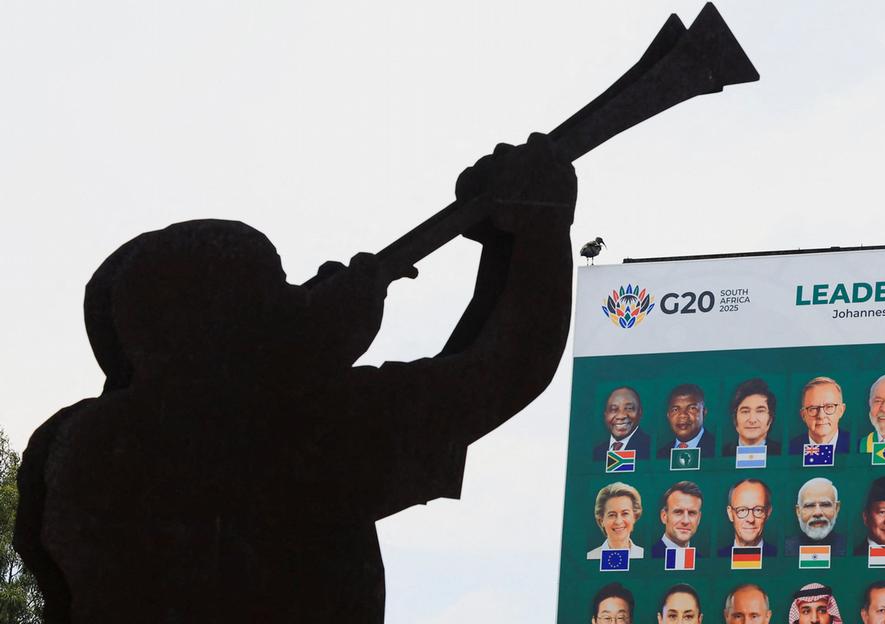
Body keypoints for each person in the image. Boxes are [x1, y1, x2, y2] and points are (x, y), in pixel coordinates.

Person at [14, 135, 577, 621]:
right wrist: (540, 220)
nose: (311, 286)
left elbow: (458, 386)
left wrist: (508, 242)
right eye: (281, 287)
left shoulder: (86, 441)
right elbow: (503, 368)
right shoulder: (290, 427)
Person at [785, 477, 846, 556]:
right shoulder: (786, 549)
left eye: (825, 505)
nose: (817, 513)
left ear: (836, 508)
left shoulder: (848, 547)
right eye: (809, 506)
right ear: (798, 511)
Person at [789, 377, 850, 454]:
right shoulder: (789, 449)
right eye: (813, 408)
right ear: (803, 415)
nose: (821, 416)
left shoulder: (856, 446)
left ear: (841, 410)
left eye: (829, 407)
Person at [717, 479, 777, 557]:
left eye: (758, 510)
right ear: (730, 513)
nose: (750, 519)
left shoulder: (777, 556)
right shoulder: (718, 557)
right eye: (742, 510)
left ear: (768, 513)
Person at [722, 378, 781, 456]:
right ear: (735, 418)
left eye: (760, 411)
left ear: (770, 419)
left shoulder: (780, 452)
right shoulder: (723, 454)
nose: (752, 420)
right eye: (745, 411)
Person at [587, 482, 645, 560]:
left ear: (634, 517)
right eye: (612, 515)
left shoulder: (643, 555)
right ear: (601, 521)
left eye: (625, 513)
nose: (618, 521)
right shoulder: (591, 557)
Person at [592, 386, 652, 461]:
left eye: (629, 408)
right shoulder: (597, 452)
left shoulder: (650, 448)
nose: (621, 416)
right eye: (614, 409)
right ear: (606, 415)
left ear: (640, 413)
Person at [657, 384, 716, 458]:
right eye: (675, 410)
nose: (683, 415)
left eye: (692, 408)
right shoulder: (661, 455)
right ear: (668, 415)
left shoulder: (718, 449)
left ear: (703, 413)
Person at [651, 481, 704, 558]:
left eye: (692, 513)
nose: (685, 521)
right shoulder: (648, 556)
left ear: (699, 518)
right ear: (664, 516)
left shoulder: (702, 561)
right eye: (678, 512)